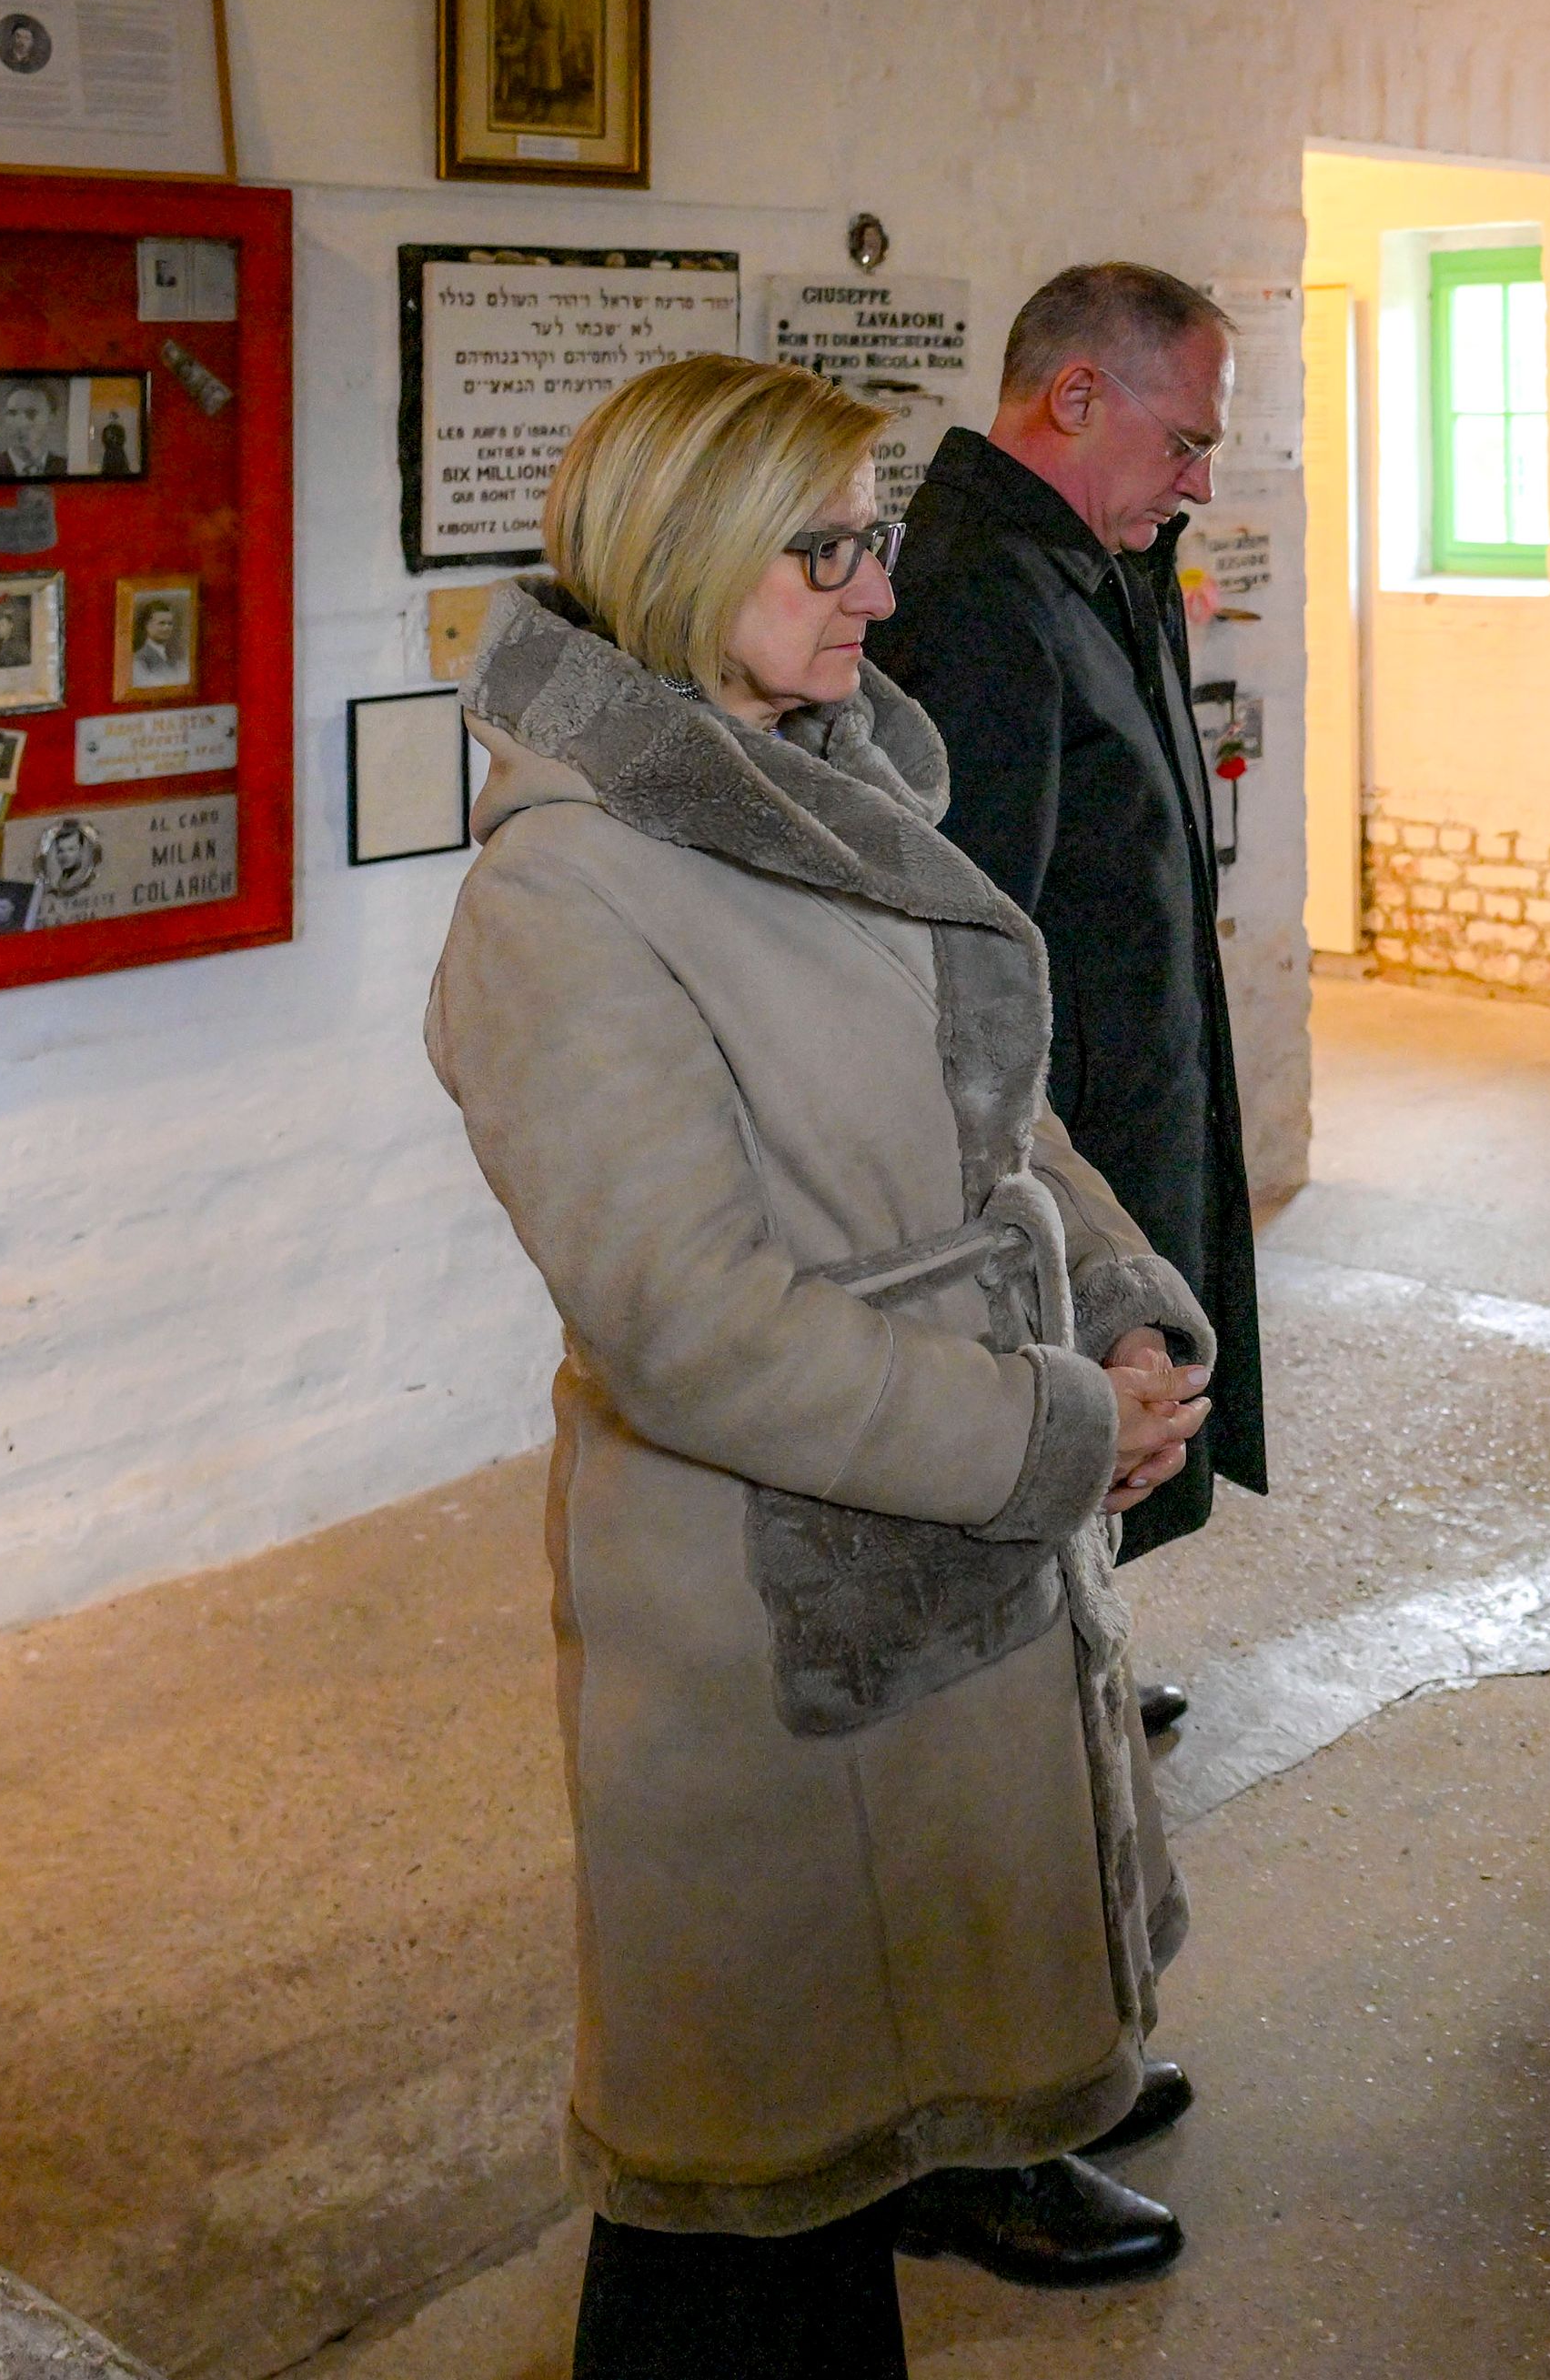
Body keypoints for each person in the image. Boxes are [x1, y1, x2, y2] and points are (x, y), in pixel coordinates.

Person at [428, 356, 1215, 2376]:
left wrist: (1115, 1291)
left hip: (933, 1560)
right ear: (688, 556)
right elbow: (690, 1331)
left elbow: (991, 1111)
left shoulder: (821, 774)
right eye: (831, 546)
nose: (880, 588)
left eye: (874, 534)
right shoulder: (567, 895)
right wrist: (1047, 1428)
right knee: (736, 2212)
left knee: (858, 2156)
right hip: (767, 1619)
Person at [871, 265, 1267, 1626]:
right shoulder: (983, 591)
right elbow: (971, 944)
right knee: (1072, 1426)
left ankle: (1081, 1642)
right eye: (1188, 443)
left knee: (1136, 1434)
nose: (1200, 485)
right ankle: (1049, 1664)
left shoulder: (1084, 559)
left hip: (1128, 1095)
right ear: (1078, 394)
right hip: (1066, 1139)